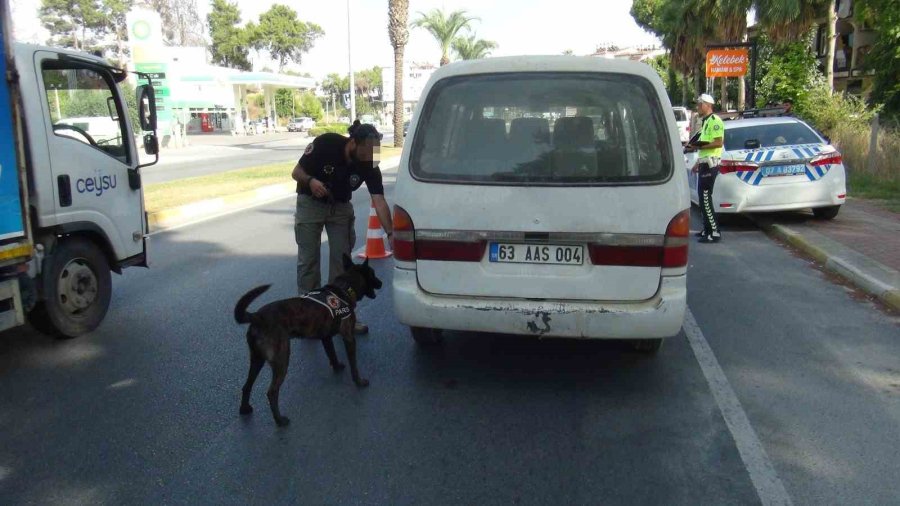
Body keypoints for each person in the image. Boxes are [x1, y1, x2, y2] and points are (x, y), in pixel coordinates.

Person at [291, 120, 393, 334]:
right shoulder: (327, 143)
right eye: (366, 151)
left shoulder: (370, 162)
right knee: (309, 262)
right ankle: (309, 317)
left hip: (340, 207)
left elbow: (379, 200)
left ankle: (343, 318)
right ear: (353, 143)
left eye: (373, 152)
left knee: (342, 263)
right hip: (310, 204)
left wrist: (391, 233)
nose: (369, 157)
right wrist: (310, 181)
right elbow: (296, 172)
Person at [687, 93, 725, 243]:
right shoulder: (705, 122)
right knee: (702, 199)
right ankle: (706, 229)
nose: (698, 107)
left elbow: (718, 143)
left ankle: (714, 232)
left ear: (707, 105)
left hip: (711, 164)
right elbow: (705, 146)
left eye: (700, 104)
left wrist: (697, 145)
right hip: (704, 163)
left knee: (705, 198)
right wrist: (697, 162)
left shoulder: (715, 121)